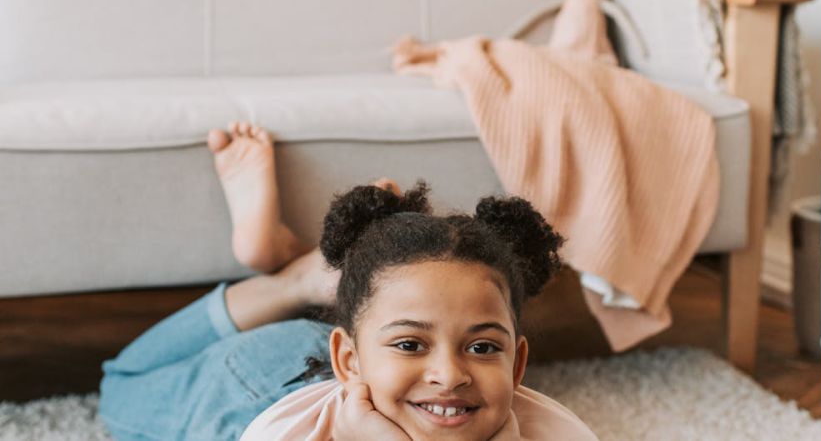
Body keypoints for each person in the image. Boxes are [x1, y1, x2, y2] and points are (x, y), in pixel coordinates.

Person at [98, 122, 598, 440]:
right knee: (120, 386)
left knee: (395, 323)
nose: (450, 375)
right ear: (348, 361)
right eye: (413, 344)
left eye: (485, 348)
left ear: (518, 366)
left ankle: (309, 279)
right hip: (258, 381)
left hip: (364, 352)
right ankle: (293, 280)